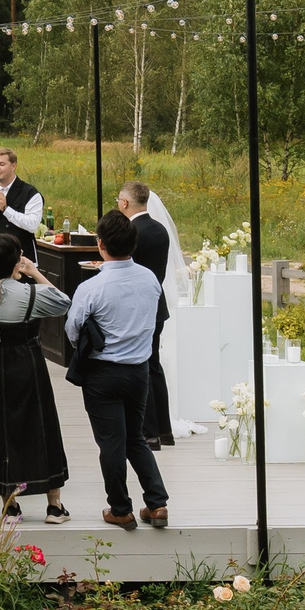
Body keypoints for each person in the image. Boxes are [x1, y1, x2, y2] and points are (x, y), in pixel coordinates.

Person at [65, 210, 170, 533]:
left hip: (103, 373)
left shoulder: (92, 287)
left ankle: (120, 508)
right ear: (133, 244)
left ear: (100, 245)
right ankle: (157, 503)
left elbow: (72, 330)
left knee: (111, 442)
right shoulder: (150, 279)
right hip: (139, 370)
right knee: (135, 438)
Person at [0, 231, 72, 522]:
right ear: (16, 261)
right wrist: (34, 272)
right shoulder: (31, 294)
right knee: (41, 425)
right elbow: (63, 302)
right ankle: (54, 505)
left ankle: (10, 503)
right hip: (26, 361)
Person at [117, 181, 175, 448]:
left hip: (136, 307)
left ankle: (149, 432)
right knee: (154, 366)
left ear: (126, 203)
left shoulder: (131, 231)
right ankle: (164, 429)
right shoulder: (160, 230)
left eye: (119, 200)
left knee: (142, 367)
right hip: (157, 304)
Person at [0, 148, 45, 242]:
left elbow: (32, 225)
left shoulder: (30, 193)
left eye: (2, 164)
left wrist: (6, 209)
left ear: (13, 166)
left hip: (20, 252)